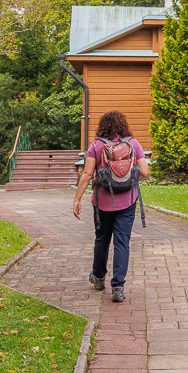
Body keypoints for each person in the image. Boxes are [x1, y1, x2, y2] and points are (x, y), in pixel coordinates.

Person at [72, 110, 149, 302]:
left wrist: (77, 199)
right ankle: (118, 287)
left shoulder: (96, 146)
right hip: (128, 201)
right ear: (123, 125)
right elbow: (145, 172)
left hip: (102, 202)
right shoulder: (133, 143)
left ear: (102, 126)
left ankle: (98, 277)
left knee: (102, 240)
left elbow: (87, 174)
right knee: (122, 242)